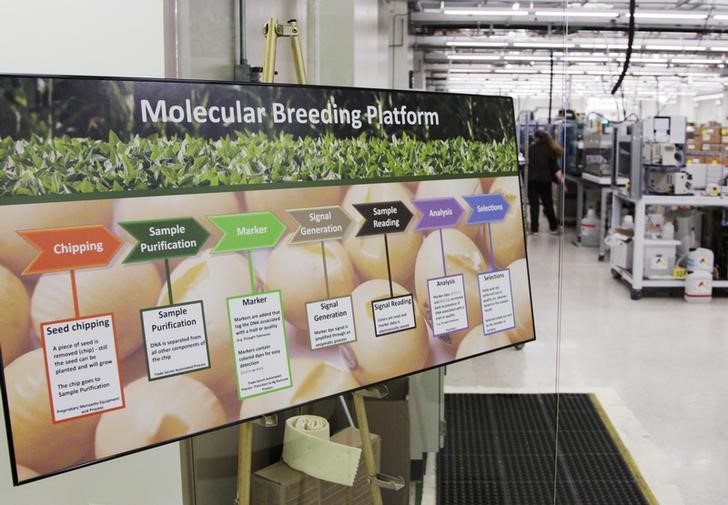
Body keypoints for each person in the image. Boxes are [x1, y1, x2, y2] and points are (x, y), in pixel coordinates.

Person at [527, 130, 564, 235]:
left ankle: (534, 230)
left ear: (536, 138)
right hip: (545, 181)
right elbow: (555, 168)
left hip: (532, 180)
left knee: (534, 205)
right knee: (548, 204)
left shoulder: (530, 149)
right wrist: (562, 181)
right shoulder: (549, 149)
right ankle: (553, 228)